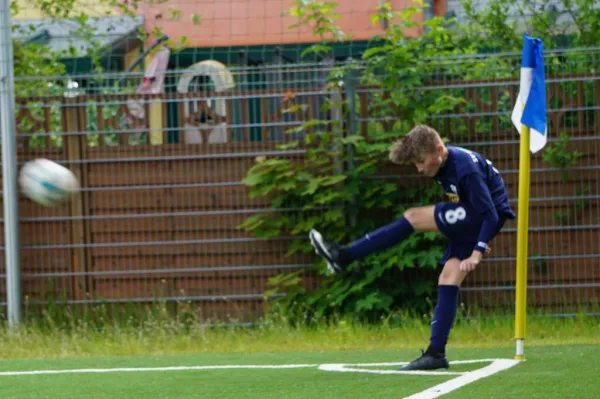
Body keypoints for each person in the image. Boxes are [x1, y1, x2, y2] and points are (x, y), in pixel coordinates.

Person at [309, 124, 516, 370]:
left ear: (439, 150)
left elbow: (491, 213)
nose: (419, 168)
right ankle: (436, 353)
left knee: (413, 218)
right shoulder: (443, 164)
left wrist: (477, 250)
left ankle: (343, 256)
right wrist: (476, 237)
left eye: (420, 161)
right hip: (476, 216)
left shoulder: (464, 169)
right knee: (448, 278)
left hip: (483, 215)